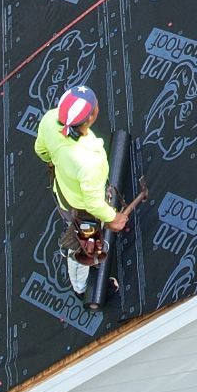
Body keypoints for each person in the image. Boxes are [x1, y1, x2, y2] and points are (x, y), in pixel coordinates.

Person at [35, 85, 117, 295]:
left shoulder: (49, 120)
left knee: (85, 236)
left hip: (64, 195)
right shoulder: (90, 160)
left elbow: (41, 151)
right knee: (83, 246)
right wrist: (114, 218)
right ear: (91, 117)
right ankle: (80, 286)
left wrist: (56, 161)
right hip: (83, 211)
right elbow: (93, 204)